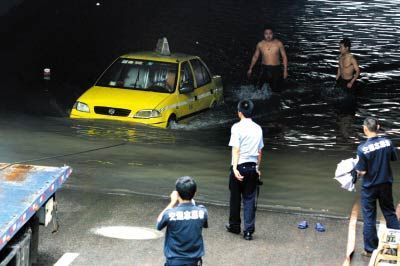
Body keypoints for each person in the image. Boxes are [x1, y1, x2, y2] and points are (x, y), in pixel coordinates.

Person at [354, 117, 399, 256]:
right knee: (389, 213)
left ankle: (370, 250)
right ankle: (396, 243)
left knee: (369, 217)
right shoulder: (388, 142)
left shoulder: (362, 148)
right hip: (386, 184)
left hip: (369, 187)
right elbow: (393, 158)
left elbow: (362, 171)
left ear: (365, 129)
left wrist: (356, 172)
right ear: (378, 127)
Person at [225, 100, 264, 240]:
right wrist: (257, 168)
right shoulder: (258, 128)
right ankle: (248, 231)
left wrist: (235, 168)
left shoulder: (236, 127)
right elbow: (260, 151)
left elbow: (236, 148)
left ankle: (234, 226)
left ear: (239, 112)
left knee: (235, 198)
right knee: (249, 200)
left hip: (239, 166)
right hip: (252, 168)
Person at [156, 176, 208, 266]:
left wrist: (172, 202)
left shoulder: (170, 214)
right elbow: (204, 224)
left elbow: (158, 224)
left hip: (174, 260)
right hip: (194, 260)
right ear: (195, 193)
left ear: (177, 194)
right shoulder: (202, 211)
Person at [247, 25, 288, 94]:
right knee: (258, 88)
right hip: (264, 68)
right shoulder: (260, 44)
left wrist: (285, 70)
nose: (268, 36)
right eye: (266, 34)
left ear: (273, 34)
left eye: (270, 33)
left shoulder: (278, 43)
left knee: (276, 90)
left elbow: (284, 57)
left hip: (276, 69)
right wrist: (250, 68)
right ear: (263, 34)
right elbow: (255, 56)